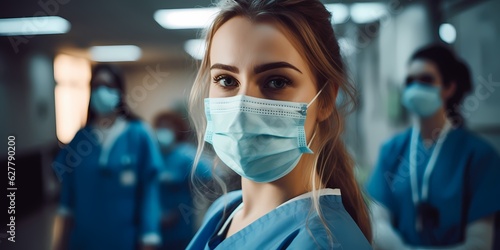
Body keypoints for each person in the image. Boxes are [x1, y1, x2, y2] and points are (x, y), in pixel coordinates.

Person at [185, 0, 373, 249]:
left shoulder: (322, 242)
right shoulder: (224, 211)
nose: (242, 107)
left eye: (276, 82)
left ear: (326, 99)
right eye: (226, 80)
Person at [367, 45, 500, 249]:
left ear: (449, 87)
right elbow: (378, 224)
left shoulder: (479, 156)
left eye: (426, 80)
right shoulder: (392, 150)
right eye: (410, 81)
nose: (415, 88)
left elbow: (480, 242)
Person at [51, 64, 162, 250]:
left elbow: (149, 194)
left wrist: (149, 237)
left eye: (108, 86)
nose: (102, 91)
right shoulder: (80, 139)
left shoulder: (139, 134)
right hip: (83, 241)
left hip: (125, 240)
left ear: (120, 92)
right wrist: (59, 243)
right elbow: (66, 200)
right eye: (96, 86)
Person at [153, 111, 212, 250]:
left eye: (168, 127)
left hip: (180, 224)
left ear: (177, 130)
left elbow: (210, 175)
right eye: (160, 127)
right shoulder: (153, 154)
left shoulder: (186, 154)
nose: (163, 131)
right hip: (156, 224)